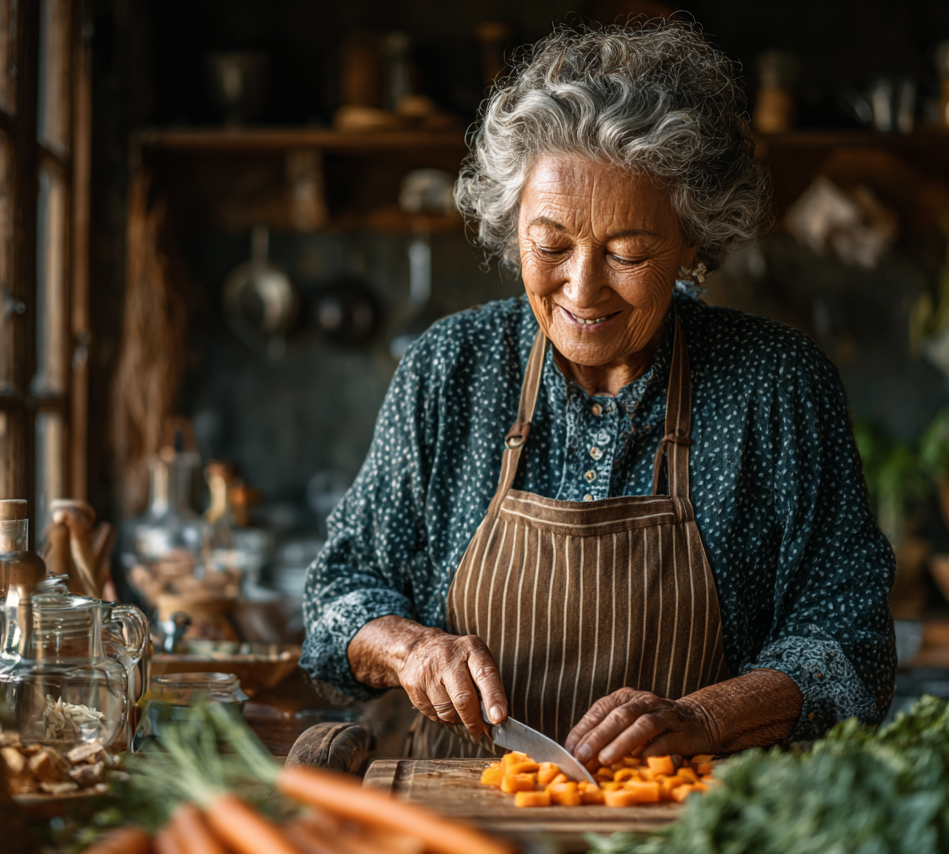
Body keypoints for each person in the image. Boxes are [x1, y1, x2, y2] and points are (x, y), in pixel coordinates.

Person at [301, 22, 896, 765]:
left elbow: (851, 644)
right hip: (460, 812)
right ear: (513, 225)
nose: (582, 290)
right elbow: (337, 597)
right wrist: (411, 649)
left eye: (628, 252)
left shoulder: (776, 385)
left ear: (691, 239)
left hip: (691, 816)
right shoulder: (449, 370)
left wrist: (705, 718)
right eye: (551, 245)